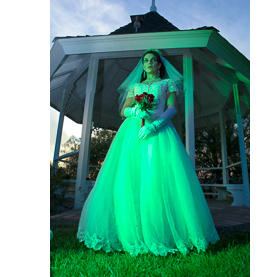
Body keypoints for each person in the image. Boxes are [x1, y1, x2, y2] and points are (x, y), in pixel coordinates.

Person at [77, 49, 220, 256]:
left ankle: (162, 231)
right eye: (146, 60)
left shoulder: (167, 83)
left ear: (159, 65)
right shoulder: (135, 87)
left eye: (154, 60)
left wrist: (155, 125)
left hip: (158, 131)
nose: (150, 63)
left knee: (157, 177)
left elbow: (172, 107)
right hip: (133, 133)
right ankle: (130, 229)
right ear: (142, 65)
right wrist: (134, 111)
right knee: (129, 177)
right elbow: (123, 109)